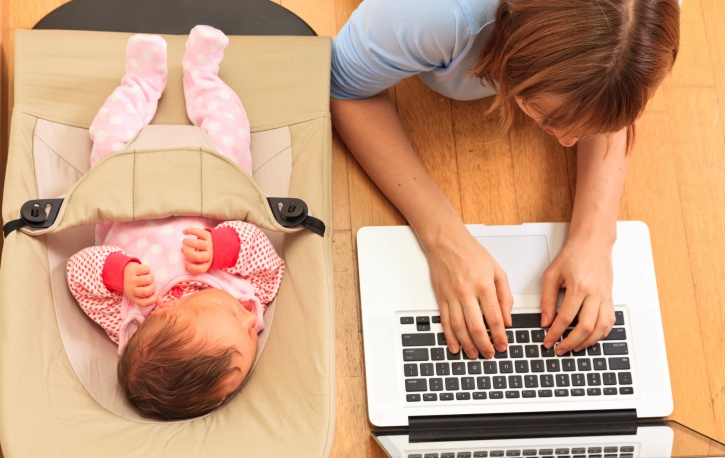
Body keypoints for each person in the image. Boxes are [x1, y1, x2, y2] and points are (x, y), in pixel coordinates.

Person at [331, 0, 680, 360]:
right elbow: (344, 85)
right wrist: (443, 237)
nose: (566, 142)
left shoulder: (651, 13)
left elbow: (615, 70)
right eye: (549, 119)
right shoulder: (435, 12)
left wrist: (596, 236)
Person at [66, 26, 284, 420]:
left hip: (128, 192)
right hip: (212, 181)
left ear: (167, 315)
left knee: (108, 141)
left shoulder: (129, 315)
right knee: (232, 139)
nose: (253, 319)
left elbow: (78, 274)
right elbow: (266, 261)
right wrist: (224, 249)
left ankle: (139, 83)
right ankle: (204, 76)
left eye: (238, 319)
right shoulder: (245, 296)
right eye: (251, 331)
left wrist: (120, 273)